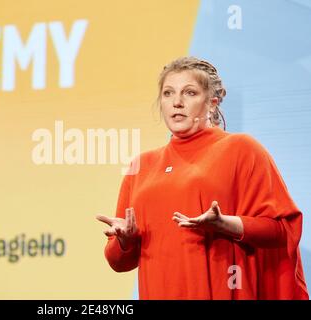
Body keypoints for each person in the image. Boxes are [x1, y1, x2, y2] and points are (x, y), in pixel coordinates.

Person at [96, 56, 309, 300]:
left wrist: (225, 224)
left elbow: (283, 231)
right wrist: (125, 241)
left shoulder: (241, 149)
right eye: (168, 93)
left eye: (189, 93)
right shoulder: (141, 165)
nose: (177, 102)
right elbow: (119, 263)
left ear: (211, 103)